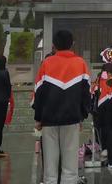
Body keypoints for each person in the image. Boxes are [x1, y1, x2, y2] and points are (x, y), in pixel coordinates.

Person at [34, 30, 91, 184]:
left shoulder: (46, 63)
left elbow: (39, 93)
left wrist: (38, 118)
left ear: (54, 45)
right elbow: (86, 94)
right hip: (71, 119)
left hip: (49, 120)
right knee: (70, 167)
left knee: (50, 168)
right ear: (72, 44)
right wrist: (82, 116)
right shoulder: (81, 64)